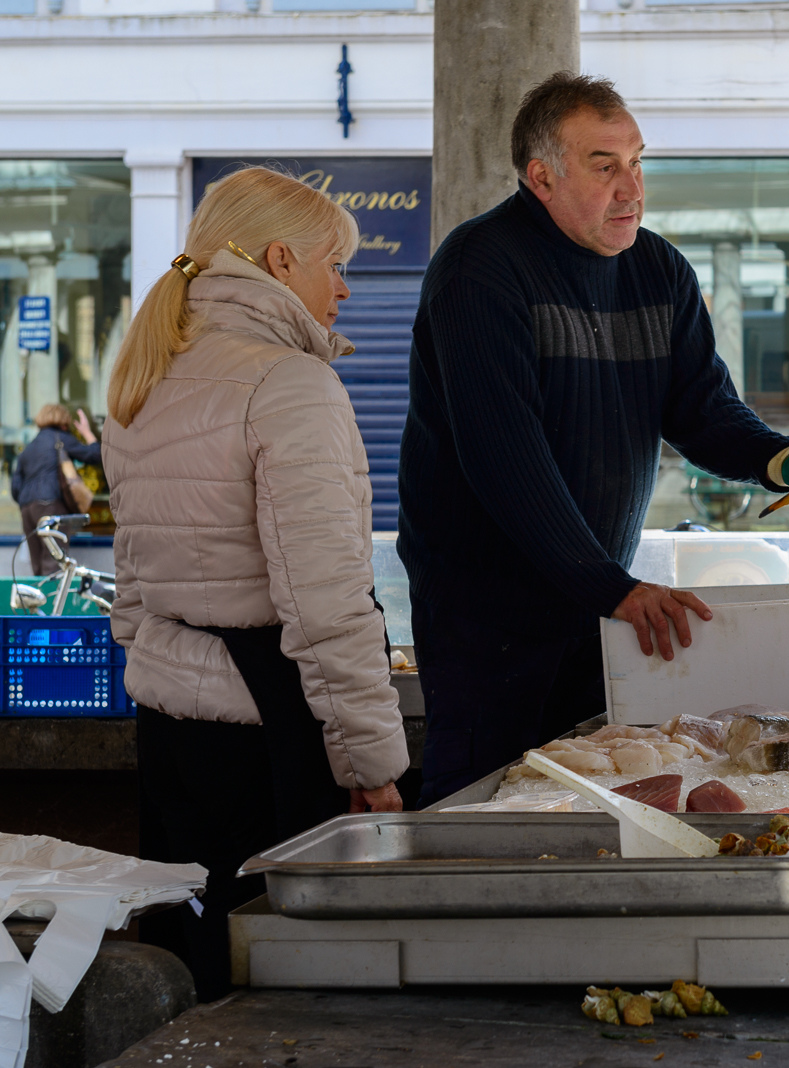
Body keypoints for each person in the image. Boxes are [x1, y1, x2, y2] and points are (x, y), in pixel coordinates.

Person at [399, 72, 789, 806]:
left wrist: (788, 462)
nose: (632, 187)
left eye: (637, 162)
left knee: (582, 806)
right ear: (542, 176)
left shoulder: (657, 269)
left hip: (592, 609)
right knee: (480, 806)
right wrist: (615, 588)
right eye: (604, 166)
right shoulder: (480, 271)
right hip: (485, 622)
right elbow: (506, 458)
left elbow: (703, 411)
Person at [102, 167, 407, 1000]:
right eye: (333, 264)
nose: (342, 289)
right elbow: (327, 599)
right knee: (284, 984)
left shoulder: (145, 373)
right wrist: (374, 761)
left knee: (188, 969)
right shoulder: (289, 384)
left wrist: (157, 669)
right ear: (281, 260)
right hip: (267, 734)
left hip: (170, 727)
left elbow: (130, 584)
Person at [9, 404, 101, 575]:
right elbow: (95, 455)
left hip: (27, 509)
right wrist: (87, 433)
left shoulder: (29, 447)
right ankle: (53, 601)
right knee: (54, 562)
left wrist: (29, 500)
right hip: (51, 505)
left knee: (37, 566)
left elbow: (15, 488)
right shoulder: (61, 438)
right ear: (64, 422)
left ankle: (40, 600)